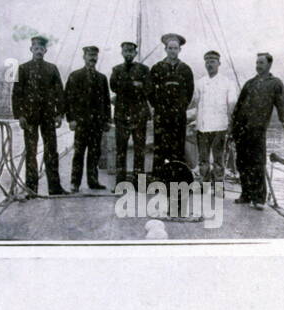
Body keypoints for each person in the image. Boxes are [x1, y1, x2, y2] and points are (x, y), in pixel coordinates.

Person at [231, 52, 284, 209]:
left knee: (257, 163)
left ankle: (259, 198)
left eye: (261, 63)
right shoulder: (249, 83)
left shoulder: (276, 83)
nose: (258, 66)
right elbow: (238, 107)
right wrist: (233, 129)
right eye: (257, 63)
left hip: (258, 130)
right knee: (241, 163)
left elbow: (281, 106)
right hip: (241, 129)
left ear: (269, 65)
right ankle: (246, 194)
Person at [11, 35, 65, 196]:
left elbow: (59, 93)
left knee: (51, 151)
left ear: (45, 50)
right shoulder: (22, 69)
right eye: (36, 48)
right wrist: (19, 115)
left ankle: (54, 188)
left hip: (48, 116)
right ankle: (31, 188)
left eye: (41, 49)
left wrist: (59, 114)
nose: (39, 51)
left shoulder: (52, 68)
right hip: (29, 117)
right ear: (31, 49)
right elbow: (16, 94)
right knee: (31, 152)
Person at [63, 46, 111, 192]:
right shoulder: (75, 76)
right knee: (78, 153)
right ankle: (74, 183)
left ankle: (93, 181)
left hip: (96, 123)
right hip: (81, 123)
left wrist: (106, 120)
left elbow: (106, 102)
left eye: (95, 55)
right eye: (90, 55)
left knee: (94, 153)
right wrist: (70, 119)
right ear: (84, 56)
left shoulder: (102, 78)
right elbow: (68, 100)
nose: (92, 58)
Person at [189, 50, 238, 182]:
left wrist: (231, 125)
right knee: (203, 160)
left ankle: (218, 189)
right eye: (207, 62)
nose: (209, 64)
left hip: (220, 127)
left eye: (212, 62)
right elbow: (196, 104)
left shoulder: (228, 83)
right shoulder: (200, 83)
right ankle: (204, 187)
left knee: (218, 160)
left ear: (218, 63)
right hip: (202, 127)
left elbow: (232, 106)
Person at [147, 33, 194, 168]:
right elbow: (150, 90)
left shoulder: (185, 69)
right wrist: (158, 106)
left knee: (178, 146)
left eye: (175, 48)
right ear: (165, 49)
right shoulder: (157, 68)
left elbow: (189, 92)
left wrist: (181, 107)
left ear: (179, 50)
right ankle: (159, 178)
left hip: (178, 115)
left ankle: (176, 178)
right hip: (161, 114)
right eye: (170, 48)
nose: (173, 51)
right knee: (160, 146)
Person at [110, 41, 151, 185]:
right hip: (122, 115)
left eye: (131, 51)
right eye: (125, 51)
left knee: (140, 149)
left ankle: (139, 182)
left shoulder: (144, 70)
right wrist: (134, 84)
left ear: (135, 53)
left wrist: (126, 86)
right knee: (121, 150)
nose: (128, 54)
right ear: (122, 53)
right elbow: (114, 86)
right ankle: (120, 182)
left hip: (139, 115)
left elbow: (148, 89)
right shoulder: (116, 70)